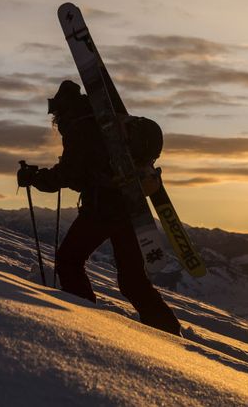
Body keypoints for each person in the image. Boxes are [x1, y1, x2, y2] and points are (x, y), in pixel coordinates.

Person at [17, 80, 181, 335]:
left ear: (62, 109)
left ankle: (85, 324)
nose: (55, 120)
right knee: (132, 282)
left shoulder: (79, 126)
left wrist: (34, 179)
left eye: (55, 112)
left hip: (103, 206)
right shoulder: (100, 119)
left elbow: (70, 174)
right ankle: (170, 334)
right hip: (130, 206)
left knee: (69, 261)